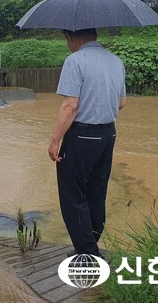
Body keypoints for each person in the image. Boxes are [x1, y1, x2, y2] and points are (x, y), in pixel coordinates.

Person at [48, 28, 126, 257]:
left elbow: (70, 106)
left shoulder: (75, 61)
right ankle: (90, 245)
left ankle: (88, 253)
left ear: (71, 37)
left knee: (73, 196)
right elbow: (122, 103)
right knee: (96, 193)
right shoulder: (115, 61)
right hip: (108, 135)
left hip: (81, 136)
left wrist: (55, 141)